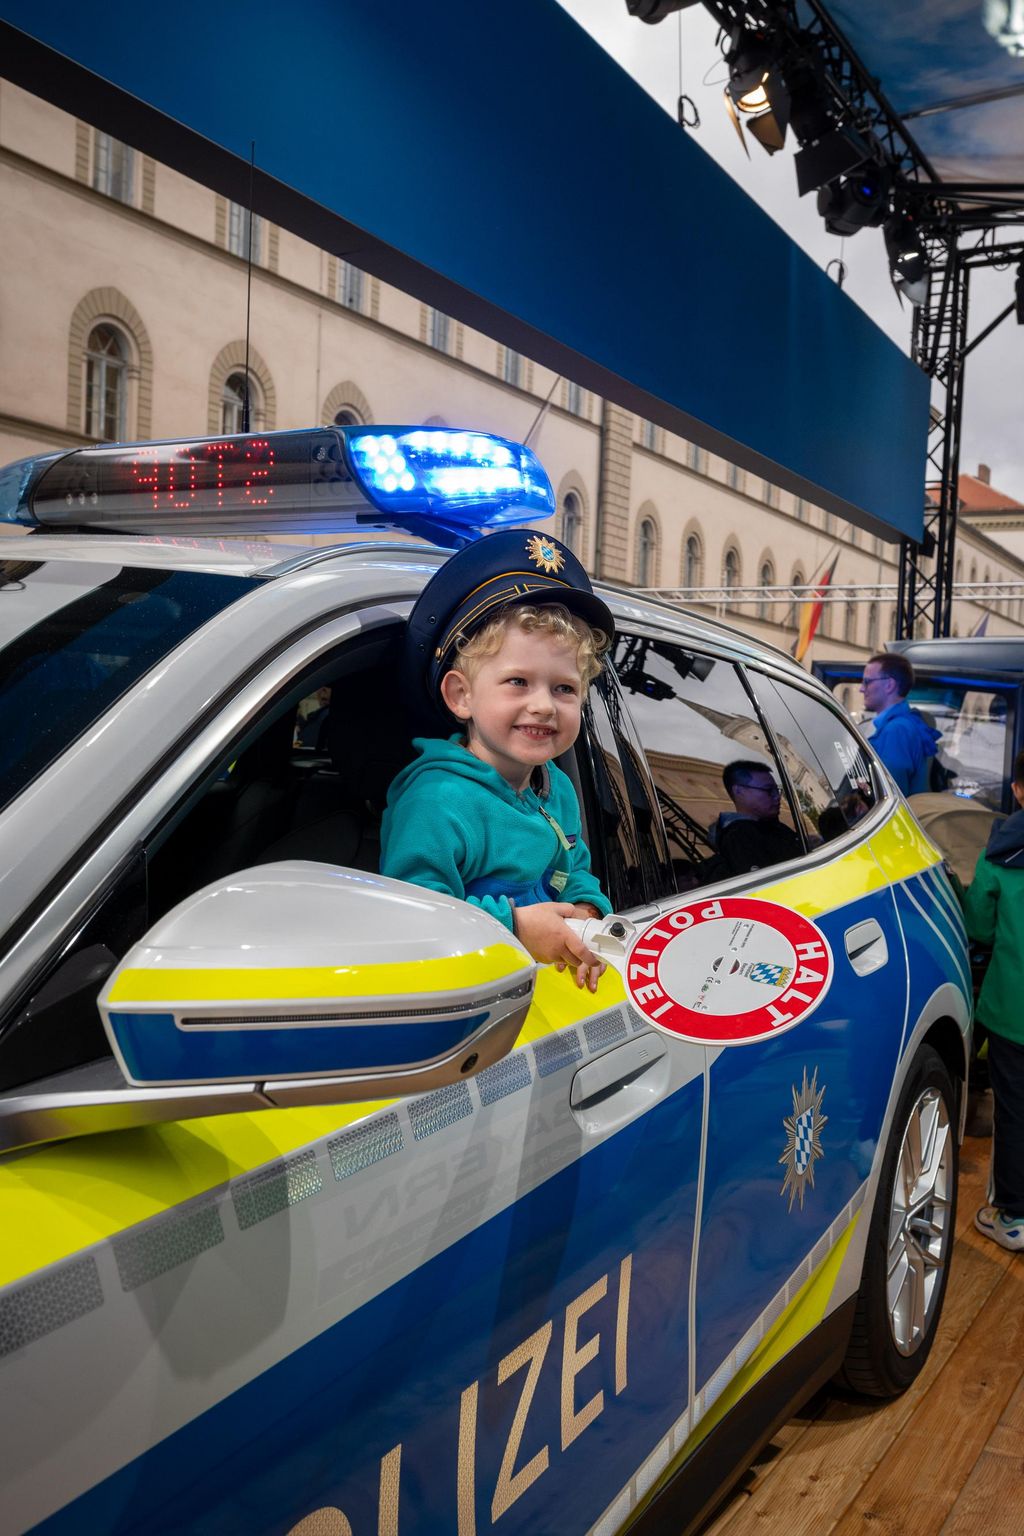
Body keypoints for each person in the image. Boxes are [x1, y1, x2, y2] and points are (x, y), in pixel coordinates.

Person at [381, 530, 614, 991]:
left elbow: (575, 869)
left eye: (564, 688)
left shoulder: (556, 788)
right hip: (463, 1015)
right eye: (518, 682)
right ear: (461, 695)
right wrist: (517, 929)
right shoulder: (438, 801)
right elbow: (411, 919)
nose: (545, 705)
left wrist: (587, 914)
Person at [961, 747, 1024, 1251]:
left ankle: (1014, 1217)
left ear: (1019, 790)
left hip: (1014, 1012)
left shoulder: (1002, 853)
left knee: (1016, 1112)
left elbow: (978, 926)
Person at [859, 652, 940, 796]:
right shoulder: (905, 724)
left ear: (889, 685)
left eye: (867, 681)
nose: (861, 688)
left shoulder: (896, 731)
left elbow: (889, 794)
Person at [709, 759, 802, 876]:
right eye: (768, 790)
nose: (777, 797)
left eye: (777, 790)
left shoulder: (768, 826)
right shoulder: (740, 838)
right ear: (739, 791)